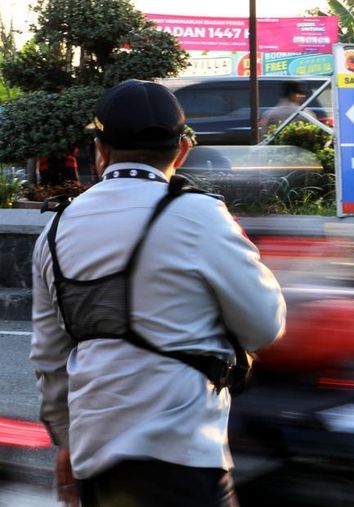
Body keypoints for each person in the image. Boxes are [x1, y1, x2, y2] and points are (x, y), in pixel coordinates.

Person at [30, 79, 287, 507]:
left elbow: (50, 360)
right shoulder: (199, 214)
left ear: (100, 150)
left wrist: (67, 442)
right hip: (182, 456)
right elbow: (265, 325)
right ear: (182, 150)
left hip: (97, 460)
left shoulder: (55, 231)